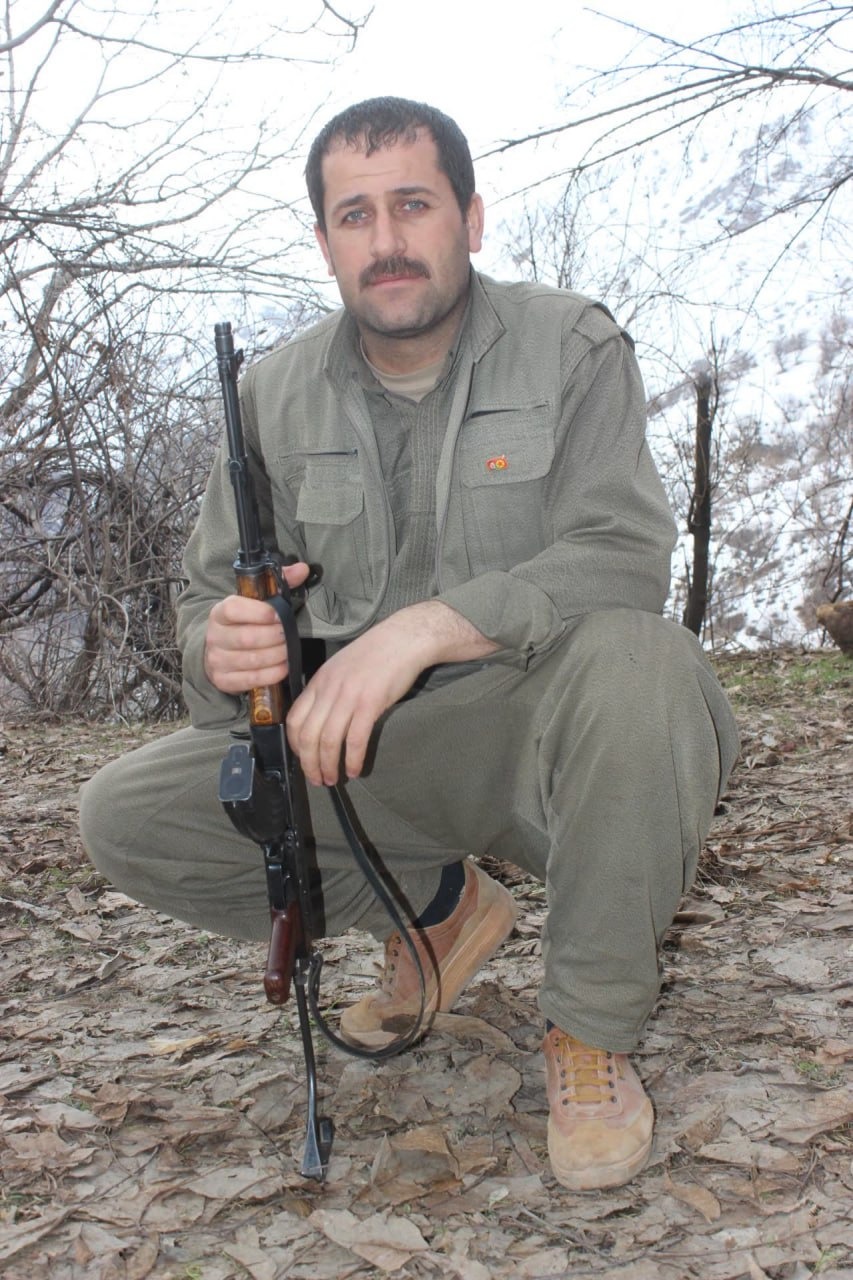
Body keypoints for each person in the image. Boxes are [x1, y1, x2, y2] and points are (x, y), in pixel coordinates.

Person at [80, 96, 739, 1192]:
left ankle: (588, 1026)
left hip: (547, 737)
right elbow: (205, 600)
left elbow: (623, 555)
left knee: (646, 663)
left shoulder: (571, 344)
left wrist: (425, 628)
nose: (385, 240)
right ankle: (435, 911)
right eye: (355, 215)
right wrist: (222, 647)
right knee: (126, 815)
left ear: (469, 218)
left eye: (413, 205)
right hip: (364, 758)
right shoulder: (270, 393)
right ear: (324, 240)